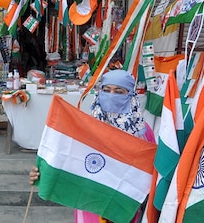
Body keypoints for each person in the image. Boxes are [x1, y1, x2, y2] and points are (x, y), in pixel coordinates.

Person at [29, 69, 155, 222]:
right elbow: (70, 157)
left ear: (130, 95)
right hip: (90, 200)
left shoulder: (142, 131)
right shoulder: (88, 127)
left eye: (119, 91)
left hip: (122, 203)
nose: (111, 95)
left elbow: (149, 170)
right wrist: (45, 169)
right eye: (106, 90)